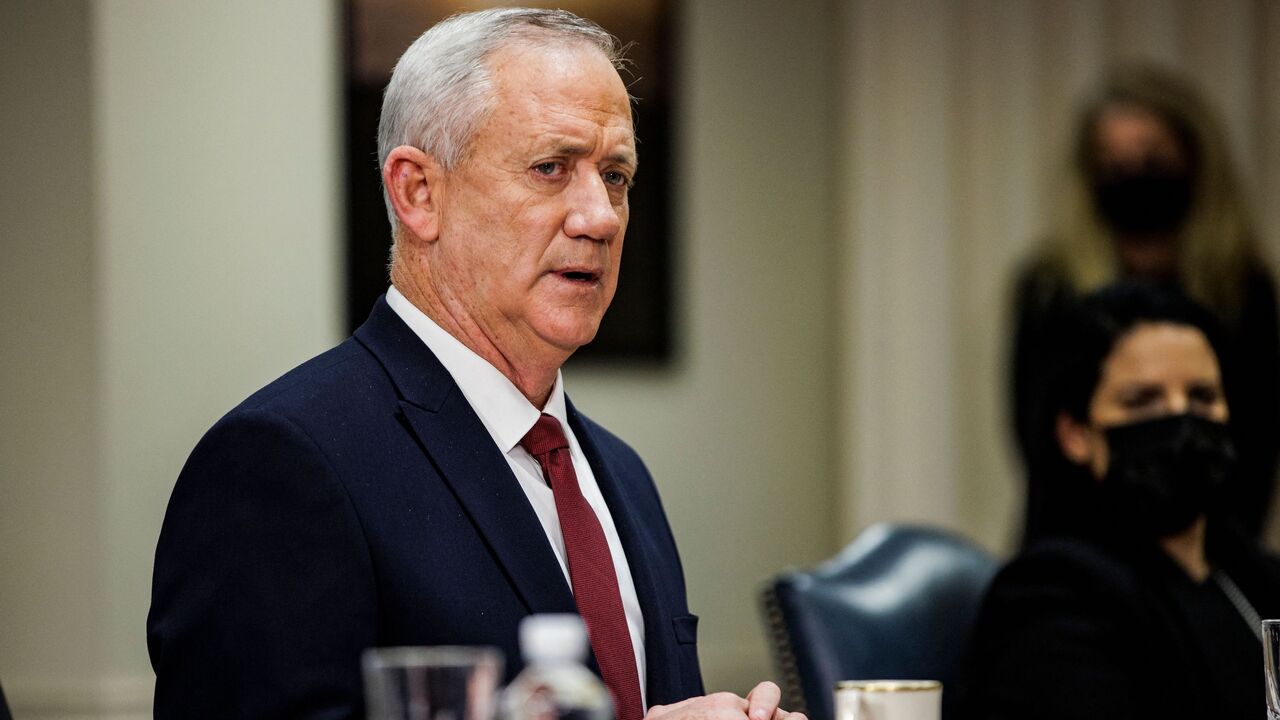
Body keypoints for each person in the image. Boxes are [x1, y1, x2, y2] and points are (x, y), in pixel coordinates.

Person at [146, 9, 802, 720]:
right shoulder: (283, 464)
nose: (601, 217)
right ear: (418, 192)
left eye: (615, 176)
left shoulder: (621, 477)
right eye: (552, 168)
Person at [960, 284, 1280, 720]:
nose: (1181, 419)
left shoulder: (1252, 574)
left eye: (1202, 396)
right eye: (1143, 402)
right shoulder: (1053, 598)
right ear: (1075, 433)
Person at [1010, 63, 1280, 545]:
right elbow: (1037, 444)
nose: (1134, 174)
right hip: (1076, 544)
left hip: (1213, 549)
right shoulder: (1053, 289)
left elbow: (1257, 449)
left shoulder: (1242, 290)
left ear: (1193, 159)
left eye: (1153, 157)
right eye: (1114, 162)